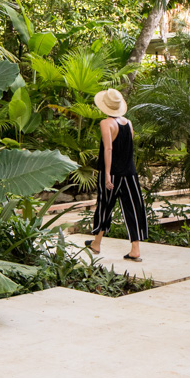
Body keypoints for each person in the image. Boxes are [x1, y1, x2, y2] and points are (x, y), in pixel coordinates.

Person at [85, 87, 148, 262]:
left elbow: (109, 148)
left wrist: (106, 175)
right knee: (134, 208)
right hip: (129, 173)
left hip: (112, 174)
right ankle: (135, 249)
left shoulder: (106, 123)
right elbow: (129, 145)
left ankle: (96, 244)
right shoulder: (128, 123)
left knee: (105, 205)